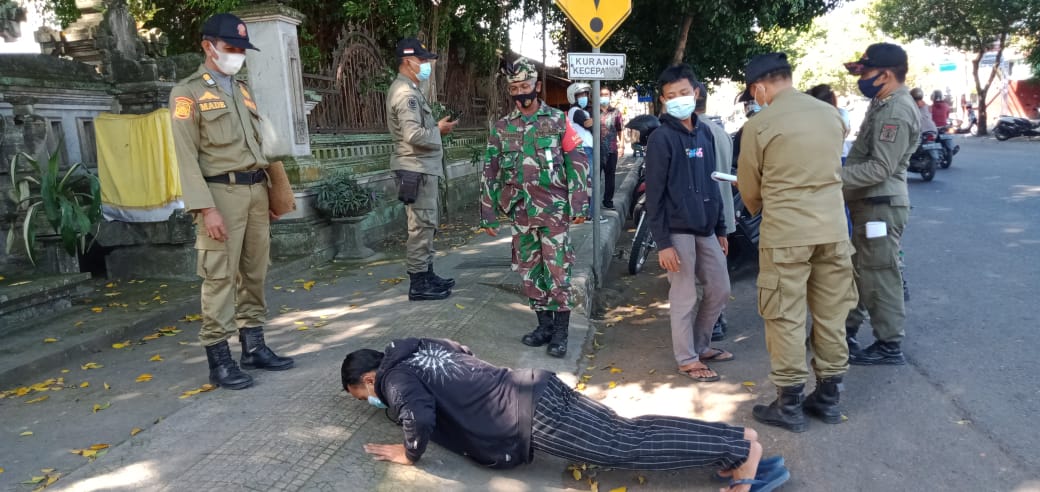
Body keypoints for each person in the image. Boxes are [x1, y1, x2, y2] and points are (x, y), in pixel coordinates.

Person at [341, 338, 791, 492]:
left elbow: (417, 416)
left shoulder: (393, 381)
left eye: (363, 396)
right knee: (627, 432)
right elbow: (464, 353)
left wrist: (408, 453)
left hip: (530, 417)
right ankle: (735, 443)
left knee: (623, 445)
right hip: (535, 384)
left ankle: (737, 449)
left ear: (367, 379)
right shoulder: (417, 346)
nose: (372, 401)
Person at [170, 13, 294, 390]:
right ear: (208, 46)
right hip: (219, 195)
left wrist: (276, 192)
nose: (238, 54)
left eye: (242, 49)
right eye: (231, 48)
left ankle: (253, 346)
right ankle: (219, 358)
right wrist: (205, 209)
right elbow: (185, 157)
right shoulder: (186, 93)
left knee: (255, 272)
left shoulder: (241, 90)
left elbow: (262, 147)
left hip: (256, 192)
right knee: (219, 277)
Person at [736, 53, 859, 432]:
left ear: (758, 87)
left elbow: (750, 190)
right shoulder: (831, 115)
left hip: (787, 233)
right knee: (831, 311)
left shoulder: (760, 124)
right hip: (835, 231)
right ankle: (828, 397)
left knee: (785, 315)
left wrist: (762, 206)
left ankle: (788, 405)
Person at [481, 58, 589, 358]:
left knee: (558, 270)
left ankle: (561, 332)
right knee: (530, 270)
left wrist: (579, 202)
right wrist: (487, 213)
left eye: (525, 86)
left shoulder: (557, 121)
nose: (520, 92)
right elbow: (490, 170)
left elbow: (577, 161)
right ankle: (543, 326)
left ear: (537, 87)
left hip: (554, 212)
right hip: (520, 214)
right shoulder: (502, 128)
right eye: (514, 88)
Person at [645, 64, 735, 382]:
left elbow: (714, 184)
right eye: (671, 96)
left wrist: (722, 228)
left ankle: (700, 346)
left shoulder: (706, 133)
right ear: (663, 100)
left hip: (707, 227)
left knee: (720, 288)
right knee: (684, 296)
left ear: (696, 92)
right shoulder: (661, 139)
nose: (678, 99)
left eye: (684, 93)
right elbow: (653, 196)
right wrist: (663, 243)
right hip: (677, 231)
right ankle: (687, 359)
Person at [841, 43, 919, 365]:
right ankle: (841, 332)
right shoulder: (882, 101)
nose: (860, 79)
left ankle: (889, 345)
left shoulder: (896, 111)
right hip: (871, 203)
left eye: (866, 72)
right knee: (860, 272)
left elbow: (880, 168)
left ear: (886, 74)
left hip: (881, 205)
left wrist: (831, 177)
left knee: (880, 276)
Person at [386, 37, 457, 301]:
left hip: (421, 168)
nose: (427, 65)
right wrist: (438, 130)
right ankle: (418, 282)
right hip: (415, 168)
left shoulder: (410, 90)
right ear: (408, 61)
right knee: (421, 226)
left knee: (427, 225)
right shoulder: (405, 94)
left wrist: (436, 130)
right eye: (423, 60)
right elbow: (413, 134)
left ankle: (427, 274)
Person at [599, 85, 624, 210]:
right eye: (601, 94)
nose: (604, 97)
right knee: (595, 177)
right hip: (596, 150)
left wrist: (622, 146)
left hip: (611, 149)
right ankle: (592, 204)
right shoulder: (593, 111)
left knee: (610, 176)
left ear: (610, 96)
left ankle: (608, 201)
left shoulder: (616, 112)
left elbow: (620, 129)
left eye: (606, 95)